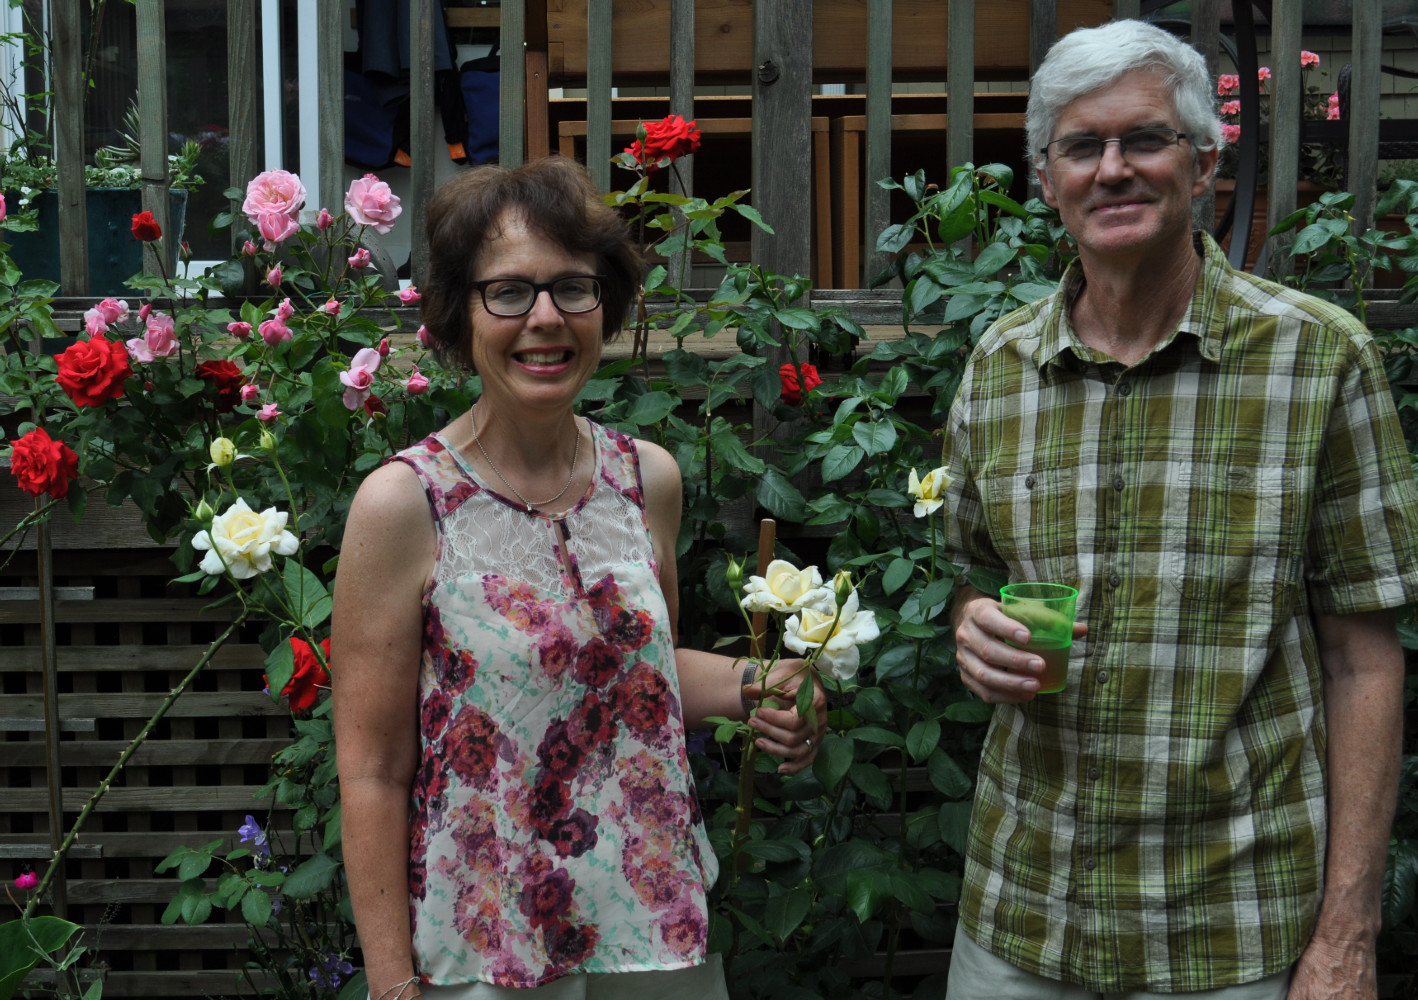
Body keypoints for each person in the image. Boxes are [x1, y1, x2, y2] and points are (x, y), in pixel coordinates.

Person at [940, 19, 1418, 1000]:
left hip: (1232, 932)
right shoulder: (998, 367)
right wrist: (971, 627)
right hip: (1020, 917)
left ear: (1202, 166)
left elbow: (1361, 656)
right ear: (1045, 179)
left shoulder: (1318, 360)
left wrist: (1346, 937)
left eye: (1143, 140)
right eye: (1081, 145)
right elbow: (972, 575)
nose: (1111, 169)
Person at [331, 157, 824, 1000]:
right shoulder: (404, 503)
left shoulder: (648, 480)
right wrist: (389, 984)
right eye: (509, 292)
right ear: (457, 316)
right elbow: (373, 769)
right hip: (489, 948)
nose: (546, 319)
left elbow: (640, 673)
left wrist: (758, 682)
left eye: (573, 288)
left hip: (654, 932)